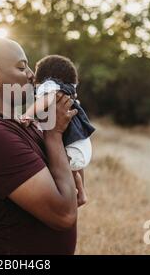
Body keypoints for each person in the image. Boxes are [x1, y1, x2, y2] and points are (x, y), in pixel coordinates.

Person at [0, 37, 79, 254]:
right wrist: (54, 135)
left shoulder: (26, 125)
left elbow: (75, 195)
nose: (32, 75)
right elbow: (64, 215)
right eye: (22, 66)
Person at [20, 55, 96, 206]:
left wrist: (27, 115)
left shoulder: (50, 87)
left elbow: (45, 100)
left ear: (45, 77)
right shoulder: (69, 92)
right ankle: (81, 192)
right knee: (73, 168)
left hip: (73, 149)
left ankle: (74, 194)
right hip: (81, 146)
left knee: (56, 170)